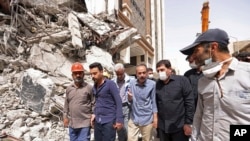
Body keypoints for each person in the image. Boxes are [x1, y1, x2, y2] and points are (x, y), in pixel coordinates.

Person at [180, 28, 250, 141]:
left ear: (213, 47)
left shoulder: (247, 74)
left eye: (196, 51)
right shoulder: (203, 81)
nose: (193, 57)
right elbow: (199, 115)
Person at [155, 59, 194, 141]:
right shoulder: (157, 84)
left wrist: (188, 123)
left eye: (162, 70)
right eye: (158, 71)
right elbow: (156, 104)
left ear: (169, 69)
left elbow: (189, 102)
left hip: (179, 126)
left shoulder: (182, 81)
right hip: (163, 127)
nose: (160, 72)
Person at [89, 62, 124, 141]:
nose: (92, 76)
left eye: (95, 73)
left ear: (101, 72)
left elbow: (118, 102)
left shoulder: (110, 84)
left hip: (109, 121)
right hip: (98, 121)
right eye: (91, 74)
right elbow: (97, 102)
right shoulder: (94, 86)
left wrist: (119, 119)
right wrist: (94, 114)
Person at [63, 62, 95, 141]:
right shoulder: (69, 89)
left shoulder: (89, 88)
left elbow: (94, 103)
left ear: (83, 74)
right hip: (72, 124)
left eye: (80, 73)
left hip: (84, 123)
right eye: (75, 73)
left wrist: (93, 116)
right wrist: (65, 117)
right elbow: (66, 104)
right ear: (72, 75)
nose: (78, 75)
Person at [127, 64, 158, 141]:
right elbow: (129, 100)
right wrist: (129, 98)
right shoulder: (131, 83)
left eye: (144, 73)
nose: (142, 75)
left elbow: (154, 102)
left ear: (147, 73)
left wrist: (155, 118)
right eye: (139, 73)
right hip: (134, 118)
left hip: (147, 118)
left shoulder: (152, 84)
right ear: (136, 74)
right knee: (130, 139)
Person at [112, 63, 131, 141]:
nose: (119, 76)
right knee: (119, 129)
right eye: (117, 74)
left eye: (121, 74)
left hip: (127, 106)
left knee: (127, 129)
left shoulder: (131, 80)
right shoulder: (112, 82)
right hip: (116, 108)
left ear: (124, 71)